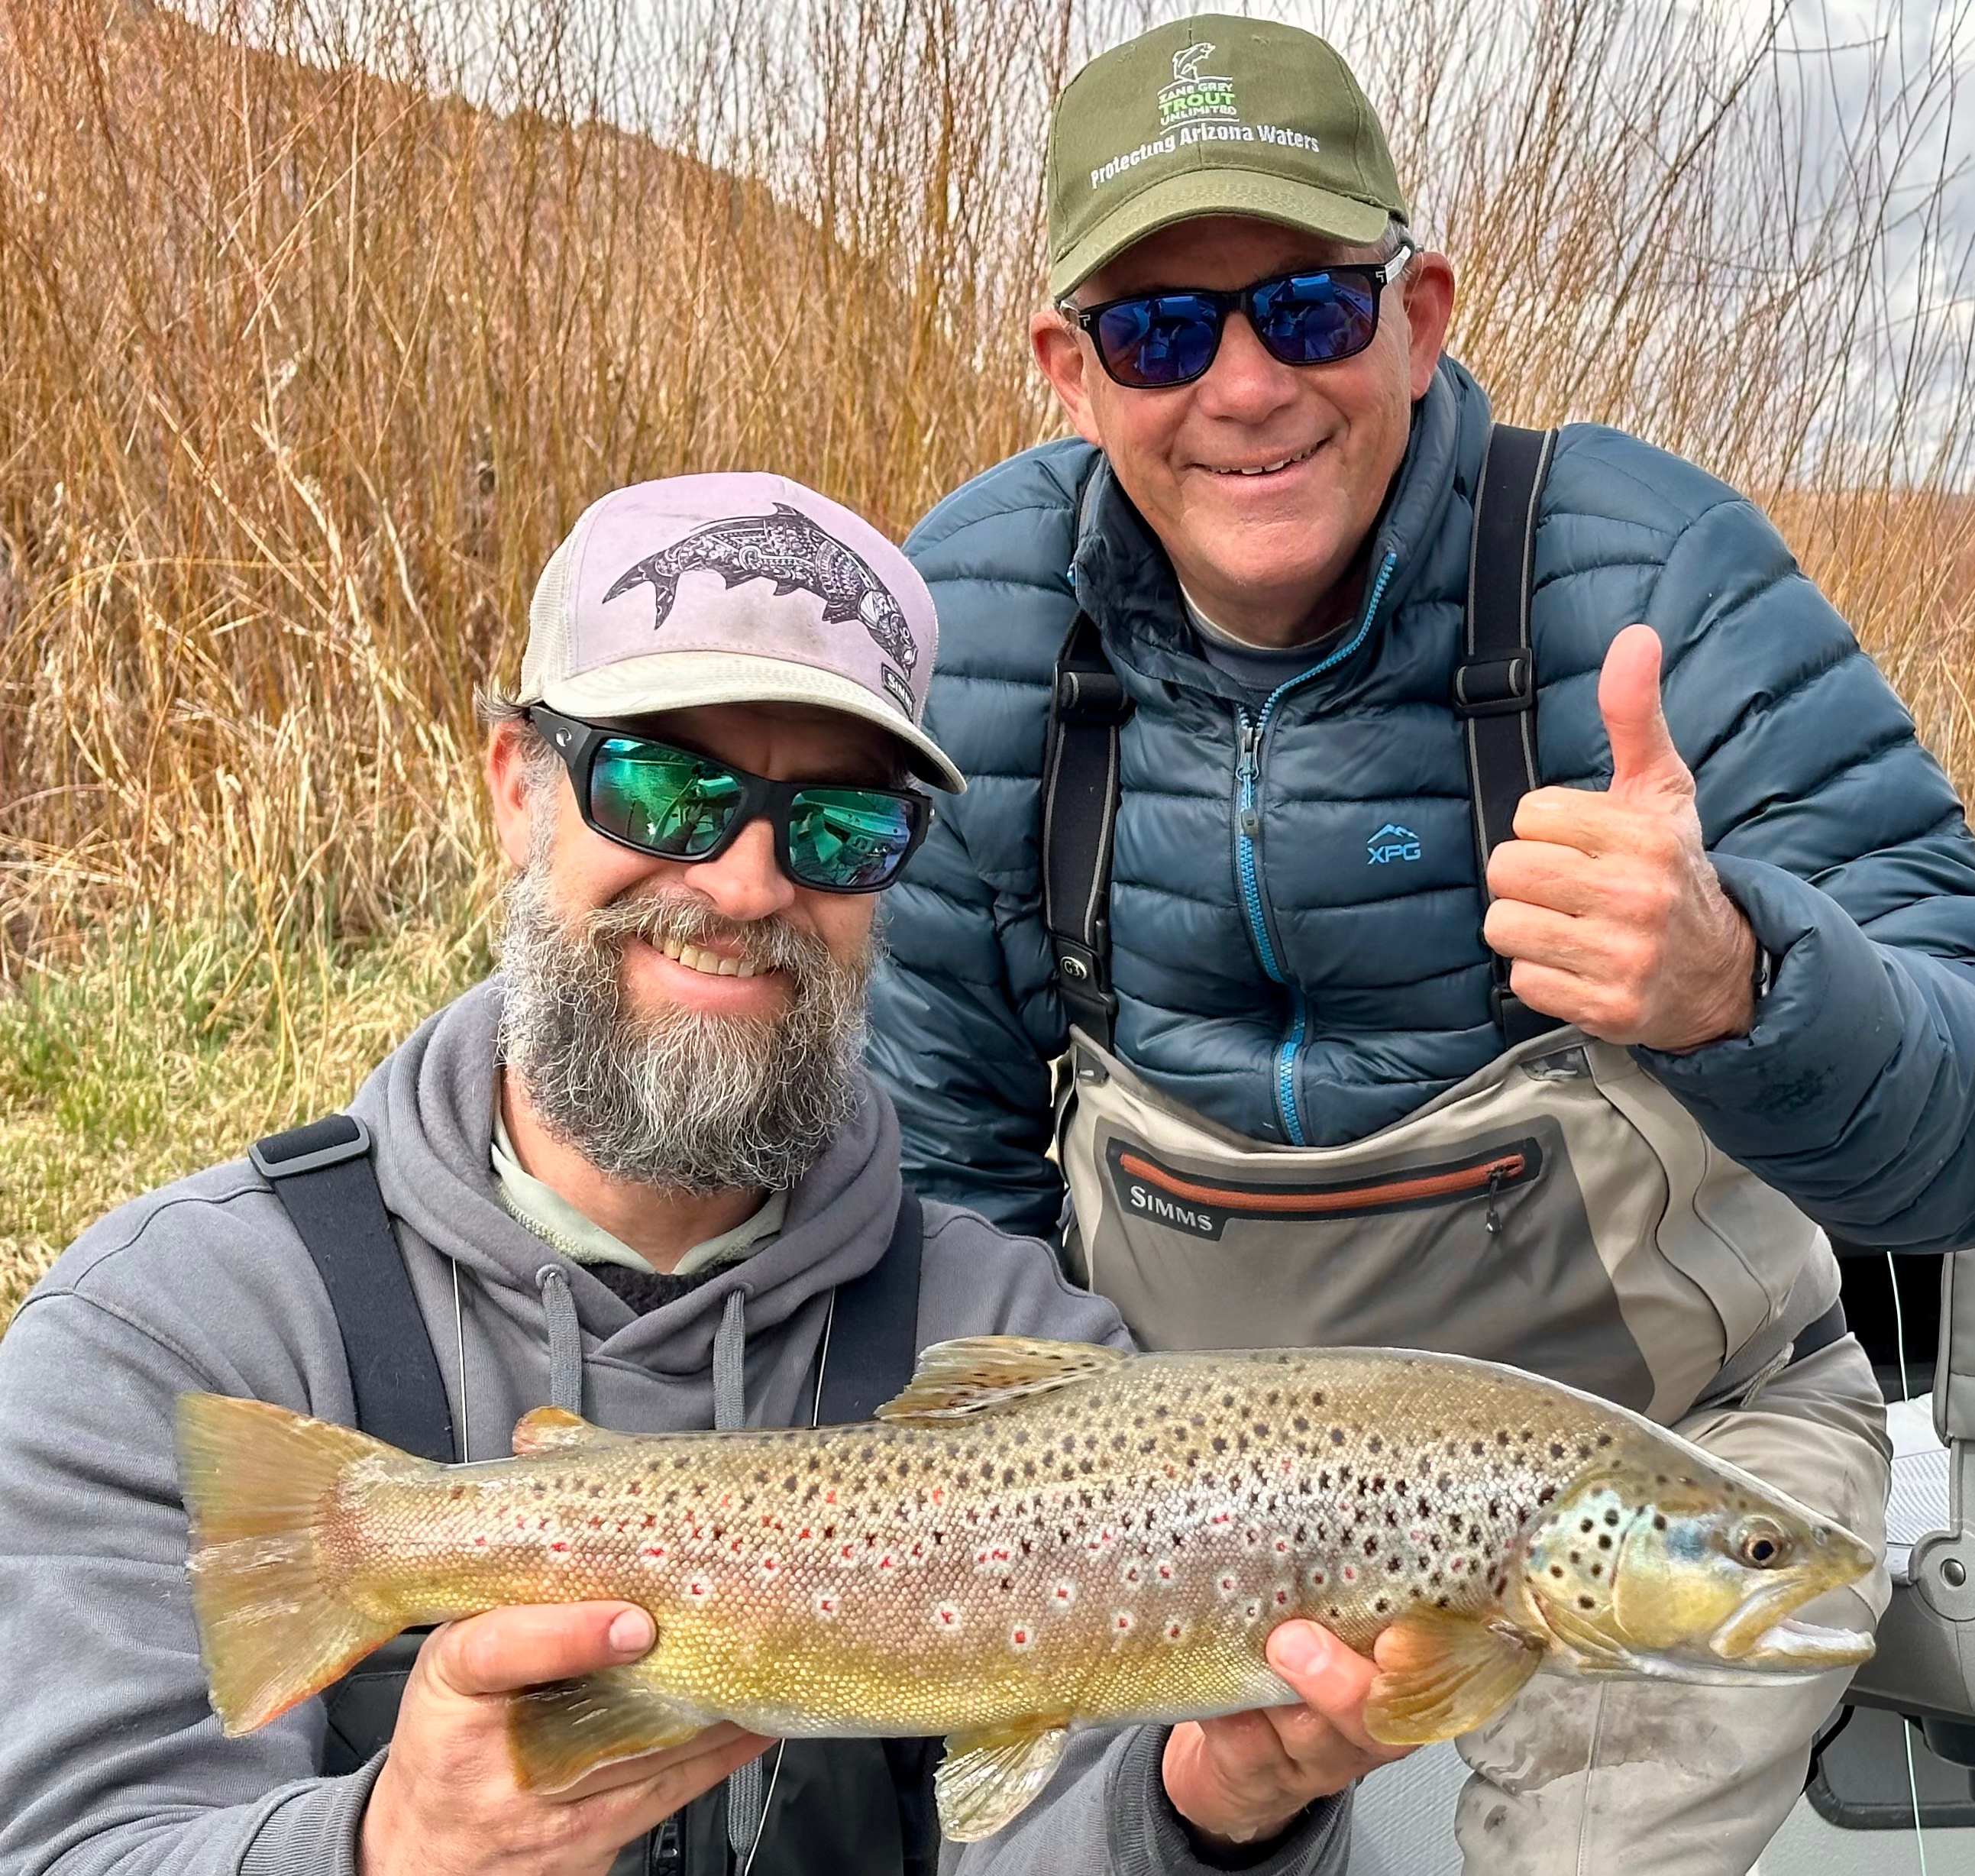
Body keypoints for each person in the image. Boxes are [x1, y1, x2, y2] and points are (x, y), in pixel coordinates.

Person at [868, 17, 1975, 1874]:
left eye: (1312, 309)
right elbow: (946, 1171)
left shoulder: (1647, 581)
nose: (1246, 385)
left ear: (1420, 312)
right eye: (1162, 332)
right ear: (1070, 370)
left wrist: (1740, 985)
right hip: (1154, 1504)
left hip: (1664, 1448)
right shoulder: (976, 626)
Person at [0, 474, 1391, 1876]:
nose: (744, 884)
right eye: (666, 787)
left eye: (839, 824)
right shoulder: (171, 1338)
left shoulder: (1030, 1356)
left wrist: (1207, 1816)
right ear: (515, 792)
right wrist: (382, 1853)